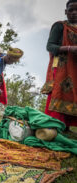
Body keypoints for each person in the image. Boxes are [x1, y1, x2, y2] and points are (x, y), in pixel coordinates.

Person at [41, 0, 77, 130]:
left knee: (74, 94)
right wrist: (69, 48)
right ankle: (54, 126)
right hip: (61, 66)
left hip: (75, 67)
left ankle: (66, 126)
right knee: (59, 92)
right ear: (66, 12)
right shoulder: (60, 26)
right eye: (71, 10)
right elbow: (49, 46)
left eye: (76, 10)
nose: (74, 13)